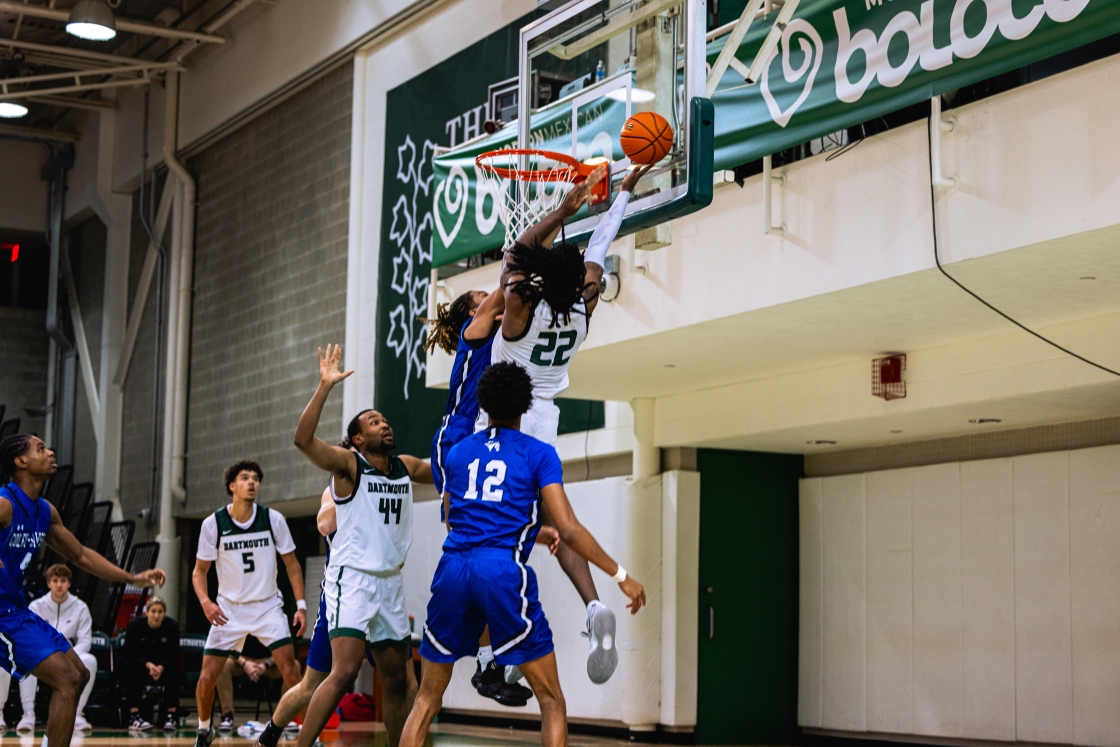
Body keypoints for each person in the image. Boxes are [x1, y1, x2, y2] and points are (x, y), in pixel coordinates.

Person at [401, 362, 646, 747]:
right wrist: (621, 575)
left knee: (426, 700)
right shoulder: (539, 453)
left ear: (483, 404)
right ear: (526, 405)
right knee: (552, 701)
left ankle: (489, 662)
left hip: (452, 569)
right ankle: (579, 613)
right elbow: (569, 529)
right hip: (501, 572)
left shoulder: (458, 452)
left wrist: (522, 532)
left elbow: (452, 515)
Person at [487, 163, 652, 685]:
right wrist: (623, 193)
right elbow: (601, 246)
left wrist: (563, 210)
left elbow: (517, 253)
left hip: (509, 421)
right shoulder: (584, 307)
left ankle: (511, 645)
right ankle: (592, 606)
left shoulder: (518, 311)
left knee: (494, 535)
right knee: (554, 527)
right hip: (545, 423)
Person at [290, 344, 432, 747]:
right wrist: (324, 387)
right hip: (351, 579)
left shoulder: (405, 466)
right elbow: (302, 440)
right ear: (357, 437)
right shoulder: (349, 465)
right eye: (374, 421)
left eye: (384, 419)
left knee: (399, 682)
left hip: (389, 583)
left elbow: (445, 469)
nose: (384, 424)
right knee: (345, 672)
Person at [0, 434, 165, 747]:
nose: (50, 452)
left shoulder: (45, 511)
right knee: (67, 679)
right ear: (20, 462)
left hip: (15, 609)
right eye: (40, 449)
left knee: (79, 673)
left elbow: (81, 556)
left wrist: (132, 578)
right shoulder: (5, 504)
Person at [424, 289, 538, 706]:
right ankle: (486, 657)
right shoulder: (473, 335)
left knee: (490, 553)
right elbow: (501, 296)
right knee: (473, 549)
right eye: (481, 295)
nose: (492, 294)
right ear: (474, 312)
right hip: (458, 436)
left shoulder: (501, 342)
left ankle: (488, 660)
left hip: (479, 440)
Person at [191, 459, 307, 747]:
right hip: (229, 610)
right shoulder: (213, 523)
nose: (252, 482)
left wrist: (301, 605)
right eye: (245, 478)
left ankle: (309, 732)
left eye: (255, 478)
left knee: (292, 671)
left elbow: (292, 565)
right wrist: (205, 602)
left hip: (267, 607)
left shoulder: (273, 519)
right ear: (232, 486)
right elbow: (199, 571)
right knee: (206, 677)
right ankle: (204, 730)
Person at [0, 564, 97, 733]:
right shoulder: (36, 605)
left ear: (69, 583)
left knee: (89, 661)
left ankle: (77, 714)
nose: (59, 584)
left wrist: (64, 658)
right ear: (48, 583)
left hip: (68, 652)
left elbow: (85, 640)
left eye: (63, 581)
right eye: (55, 580)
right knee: (31, 659)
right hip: (38, 650)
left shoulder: (81, 607)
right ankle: (28, 714)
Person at [121, 596, 180, 731]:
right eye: (153, 611)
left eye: (160, 612)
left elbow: (173, 654)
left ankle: (170, 715)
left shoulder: (172, 626)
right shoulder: (135, 625)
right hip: (139, 662)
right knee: (131, 671)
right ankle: (134, 716)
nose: (156, 615)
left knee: (174, 672)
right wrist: (147, 665)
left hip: (161, 664)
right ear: (147, 612)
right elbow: (130, 652)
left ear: (164, 613)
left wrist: (161, 667)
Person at [214, 636, 285, 732]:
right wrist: (244, 663)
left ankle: (285, 717)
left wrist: (266, 664)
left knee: (294, 666)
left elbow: (283, 649)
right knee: (222, 666)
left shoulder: (274, 625)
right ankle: (227, 716)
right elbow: (228, 647)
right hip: (240, 659)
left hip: (268, 660)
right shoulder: (237, 625)